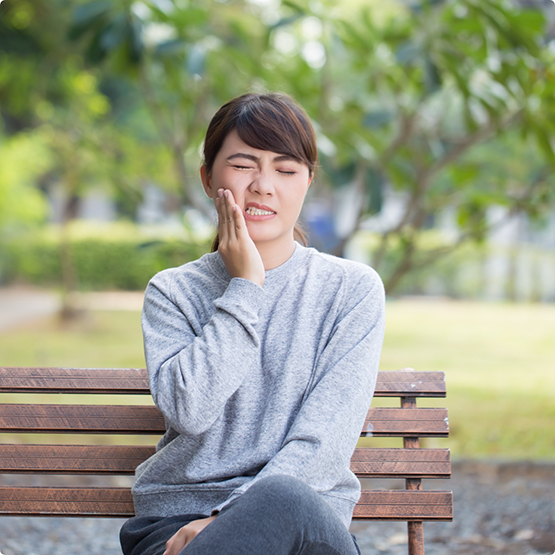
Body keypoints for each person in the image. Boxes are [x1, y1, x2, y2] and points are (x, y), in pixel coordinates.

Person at [120, 92, 385, 555]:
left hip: (307, 528)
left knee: (282, 497)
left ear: (307, 183)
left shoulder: (351, 290)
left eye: (286, 170)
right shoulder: (173, 292)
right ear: (207, 178)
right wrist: (245, 287)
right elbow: (190, 410)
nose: (264, 185)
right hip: (176, 525)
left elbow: (321, 446)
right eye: (243, 165)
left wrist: (229, 520)